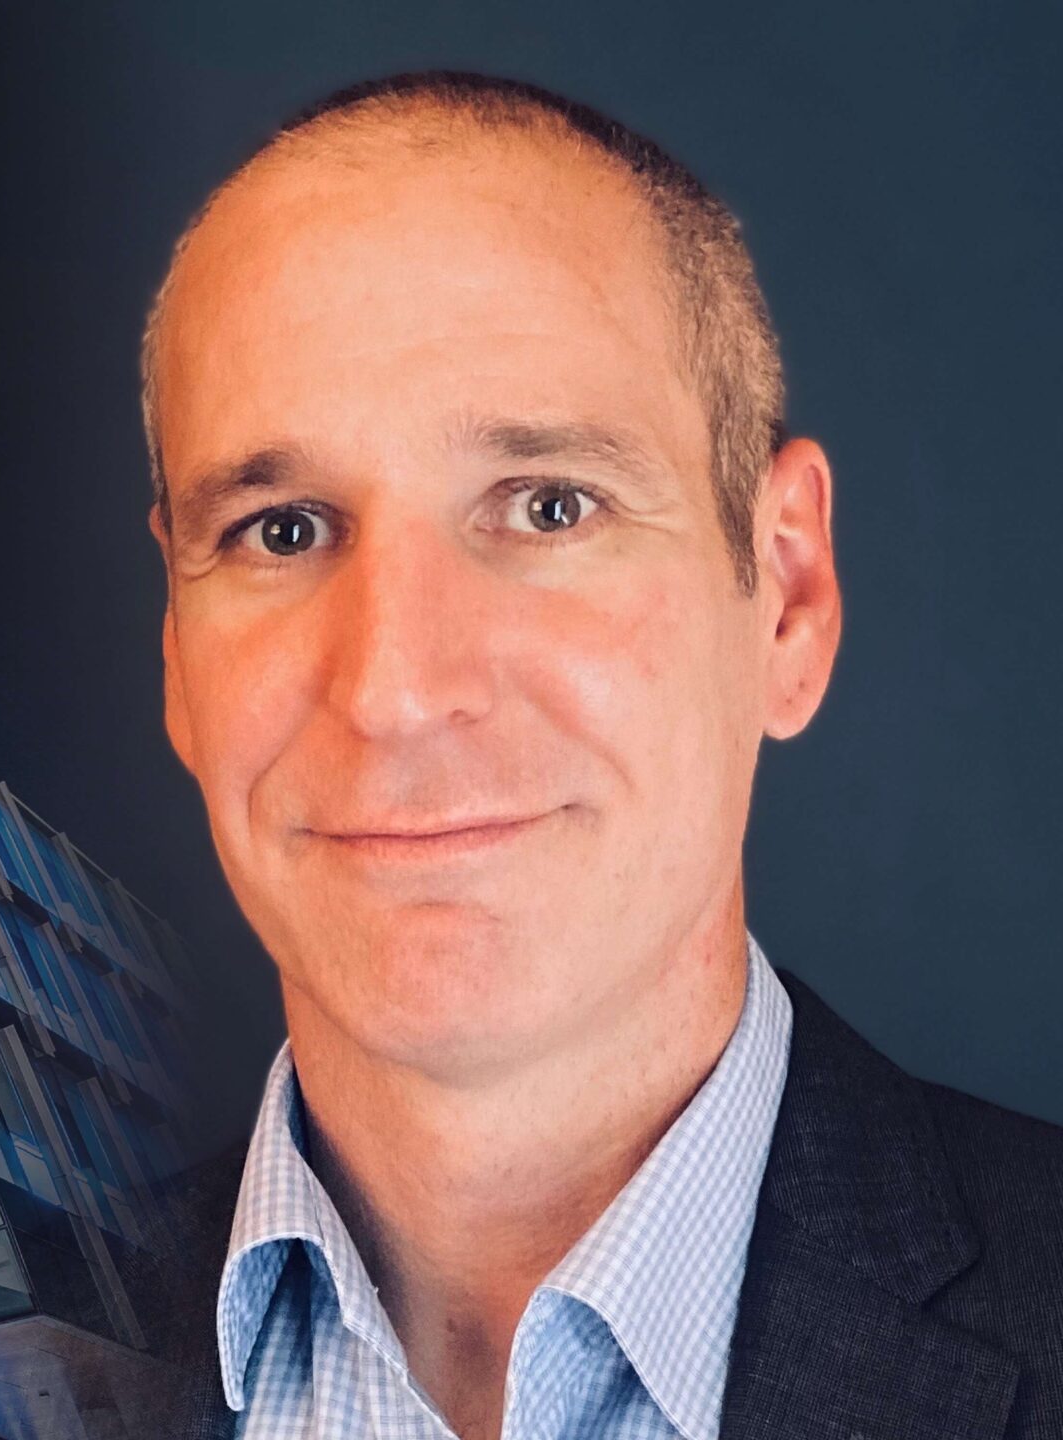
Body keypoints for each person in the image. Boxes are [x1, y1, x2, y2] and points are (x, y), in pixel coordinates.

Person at [126, 70, 1063, 1440]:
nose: (392, 686)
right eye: (279, 530)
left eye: (547, 505)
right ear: (175, 659)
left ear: (787, 599)